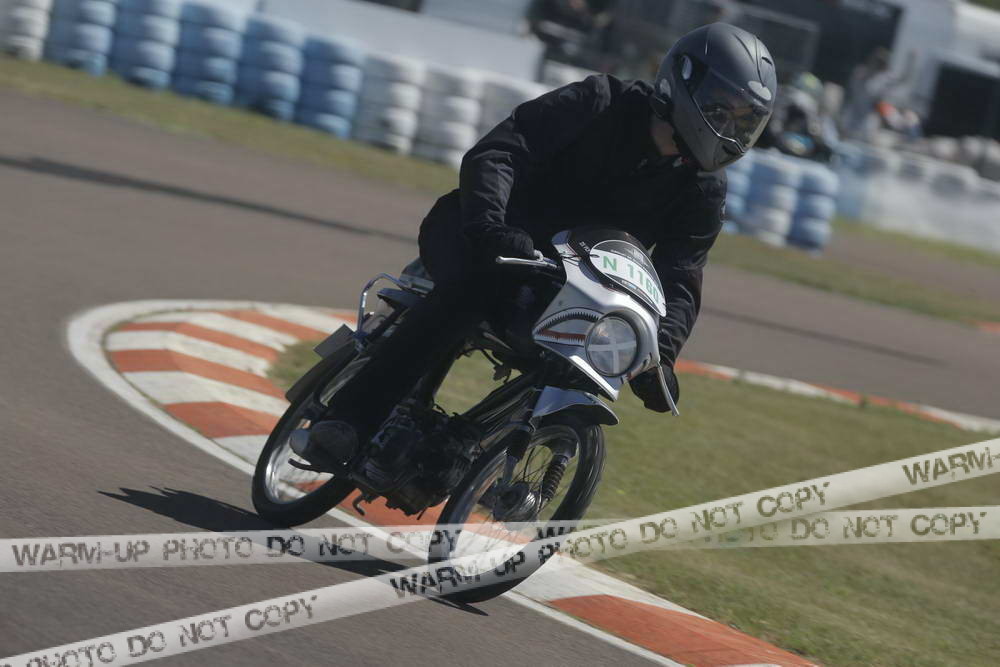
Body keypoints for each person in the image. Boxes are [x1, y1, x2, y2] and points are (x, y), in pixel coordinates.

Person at [296, 23, 777, 466]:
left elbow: (681, 274)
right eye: (721, 110)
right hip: (479, 234)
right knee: (477, 290)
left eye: (744, 120)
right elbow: (499, 153)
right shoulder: (598, 102)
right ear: (683, 82)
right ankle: (349, 421)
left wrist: (660, 357)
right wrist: (490, 228)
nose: (730, 130)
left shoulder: (703, 190)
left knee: (592, 353)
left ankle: (470, 453)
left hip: (565, 288)